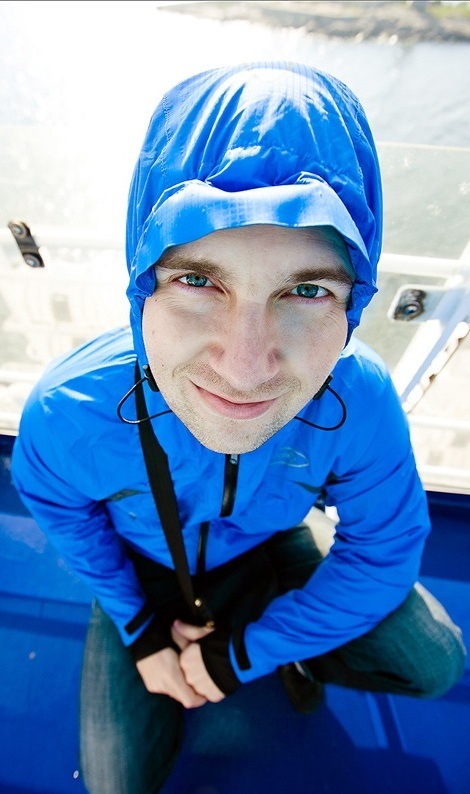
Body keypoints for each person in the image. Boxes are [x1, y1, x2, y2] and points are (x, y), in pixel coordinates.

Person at [11, 61, 466, 793]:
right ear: (141, 282)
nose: (246, 368)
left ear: (355, 302)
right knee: (115, 783)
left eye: (307, 289)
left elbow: (384, 551)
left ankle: (292, 640)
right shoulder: (70, 408)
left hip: (269, 545)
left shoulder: (359, 396)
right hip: (143, 569)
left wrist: (244, 653)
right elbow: (66, 515)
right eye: (197, 280)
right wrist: (141, 629)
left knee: (434, 661)